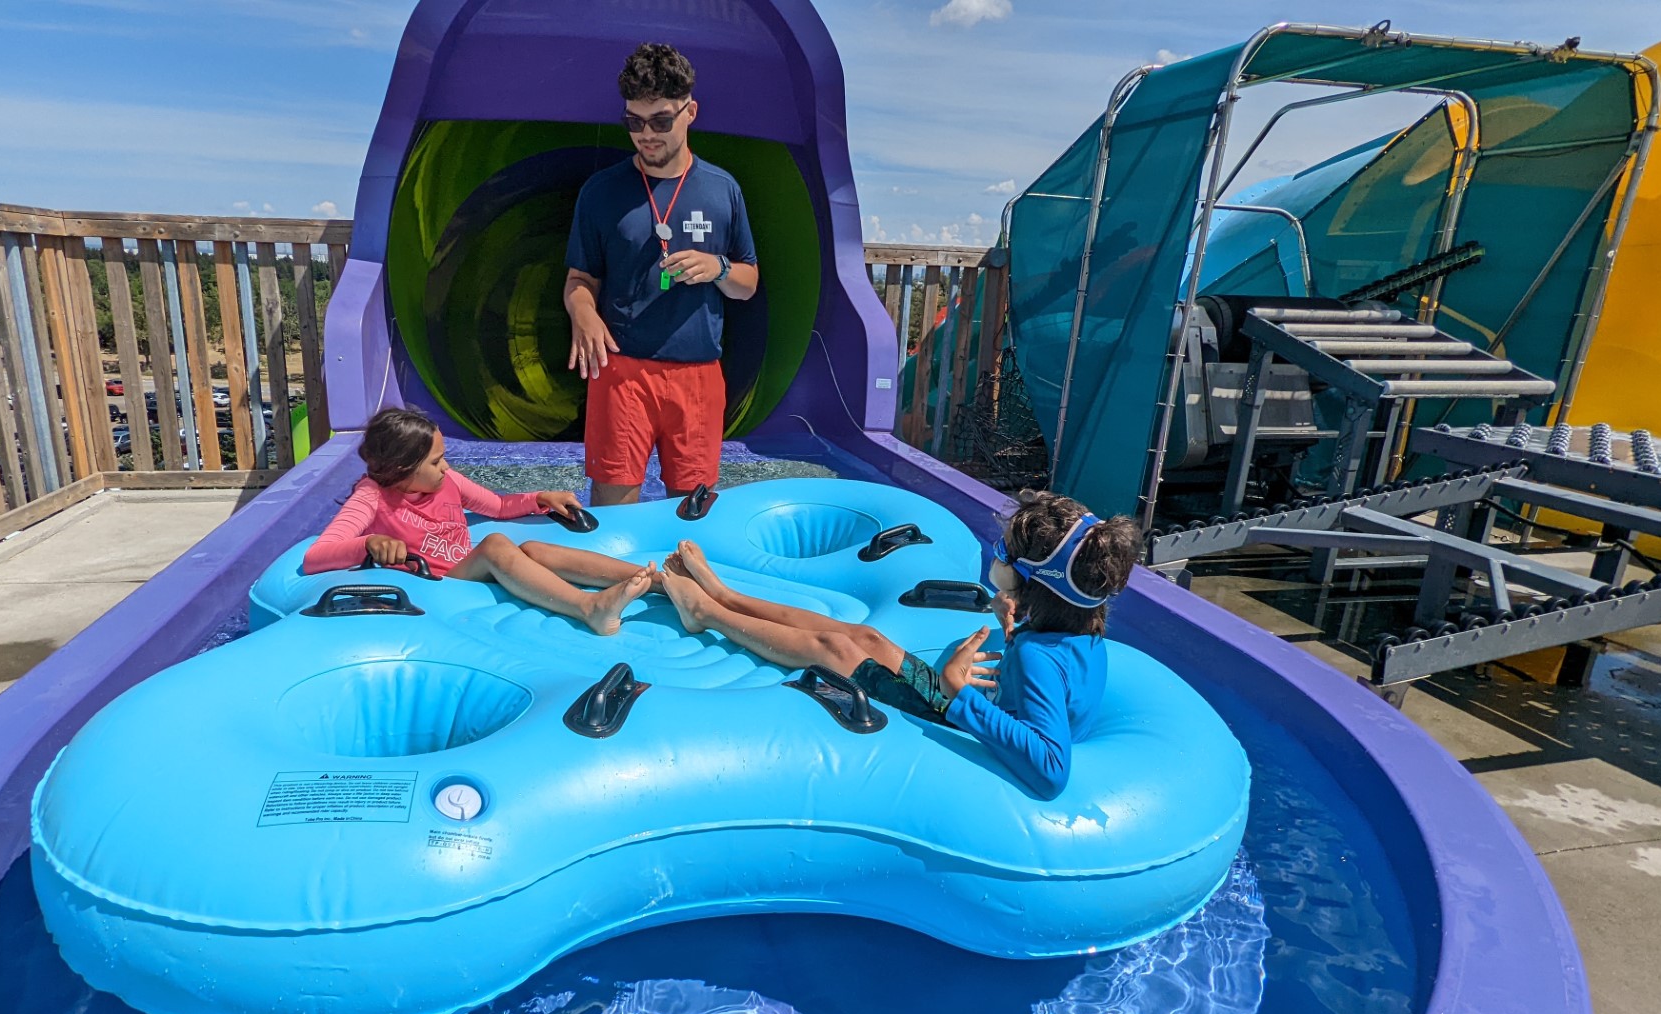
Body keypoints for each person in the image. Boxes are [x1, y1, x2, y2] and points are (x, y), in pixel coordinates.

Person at [658, 492, 1138, 798]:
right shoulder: (1077, 633)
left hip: (959, 718)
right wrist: (1010, 623)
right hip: (970, 705)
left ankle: (708, 613)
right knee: (867, 637)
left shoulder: (1037, 656)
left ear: (1034, 579)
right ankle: (727, 595)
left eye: (1003, 552)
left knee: (836, 648)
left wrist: (958, 694)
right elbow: (1050, 682)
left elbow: (1052, 767)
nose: (997, 556)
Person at [563, 42, 760, 506]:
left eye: (660, 121)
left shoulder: (722, 190)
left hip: (698, 376)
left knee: (692, 513)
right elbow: (579, 280)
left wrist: (719, 267)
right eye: (634, 122)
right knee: (614, 514)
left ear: (690, 111)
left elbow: (747, 284)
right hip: (622, 373)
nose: (646, 135)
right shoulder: (601, 192)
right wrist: (583, 314)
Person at [303, 407, 656, 635]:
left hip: (466, 567)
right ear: (401, 468)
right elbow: (316, 556)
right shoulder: (372, 497)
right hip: (441, 582)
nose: (445, 467)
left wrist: (538, 499)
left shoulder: (449, 482)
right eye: (436, 462)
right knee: (495, 546)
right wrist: (368, 543)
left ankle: (650, 580)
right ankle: (588, 608)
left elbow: (498, 507)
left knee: (533, 548)